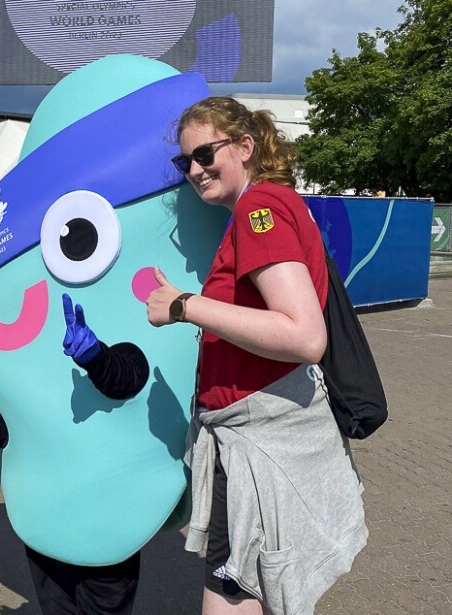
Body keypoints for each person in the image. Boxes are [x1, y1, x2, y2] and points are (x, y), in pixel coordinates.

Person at [145, 96, 368, 614]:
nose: (195, 170)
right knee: (255, 588)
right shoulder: (266, 206)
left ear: (245, 147)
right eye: (185, 162)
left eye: (205, 154)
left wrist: (184, 305)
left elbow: (302, 335)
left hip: (258, 441)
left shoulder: (260, 208)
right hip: (255, 435)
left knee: (233, 593)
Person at [0, 293, 148, 615]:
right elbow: (1, 424)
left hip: (107, 509)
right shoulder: (19, 360)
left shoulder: (121, 326)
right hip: (44, 509)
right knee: (56, 606)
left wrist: (96, 357)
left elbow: (129, 378)